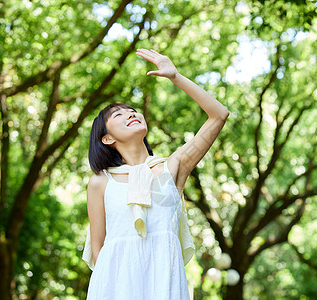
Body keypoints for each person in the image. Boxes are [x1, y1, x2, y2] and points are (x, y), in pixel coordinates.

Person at [82, 49, 229, 299]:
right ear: (107, 138)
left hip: (164, 283)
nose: (131, 114)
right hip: (115, 286)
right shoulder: (100, 182)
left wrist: (176, 77)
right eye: (118, 114)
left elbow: (219, 115)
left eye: (132, 110)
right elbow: (99, 250)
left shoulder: (173, 166)